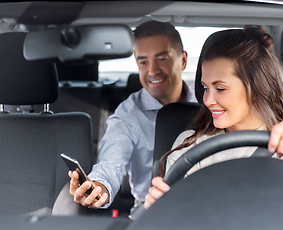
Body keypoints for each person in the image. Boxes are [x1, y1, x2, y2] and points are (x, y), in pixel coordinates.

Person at [144, 26, 283, 209]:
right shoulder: (190, 145)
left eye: (220, 89)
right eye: (205, 88)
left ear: (256, 89)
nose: (208, 100)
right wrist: (157, 209)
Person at [68, 21, 196, 210]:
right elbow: (110, 164)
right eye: (143, 61)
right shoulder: (128, 115)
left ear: (183, 60)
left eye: (162, 59)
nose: (152, 71)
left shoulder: (210, 101)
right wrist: (97, 189)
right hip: (150, 209)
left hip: (206, 201)